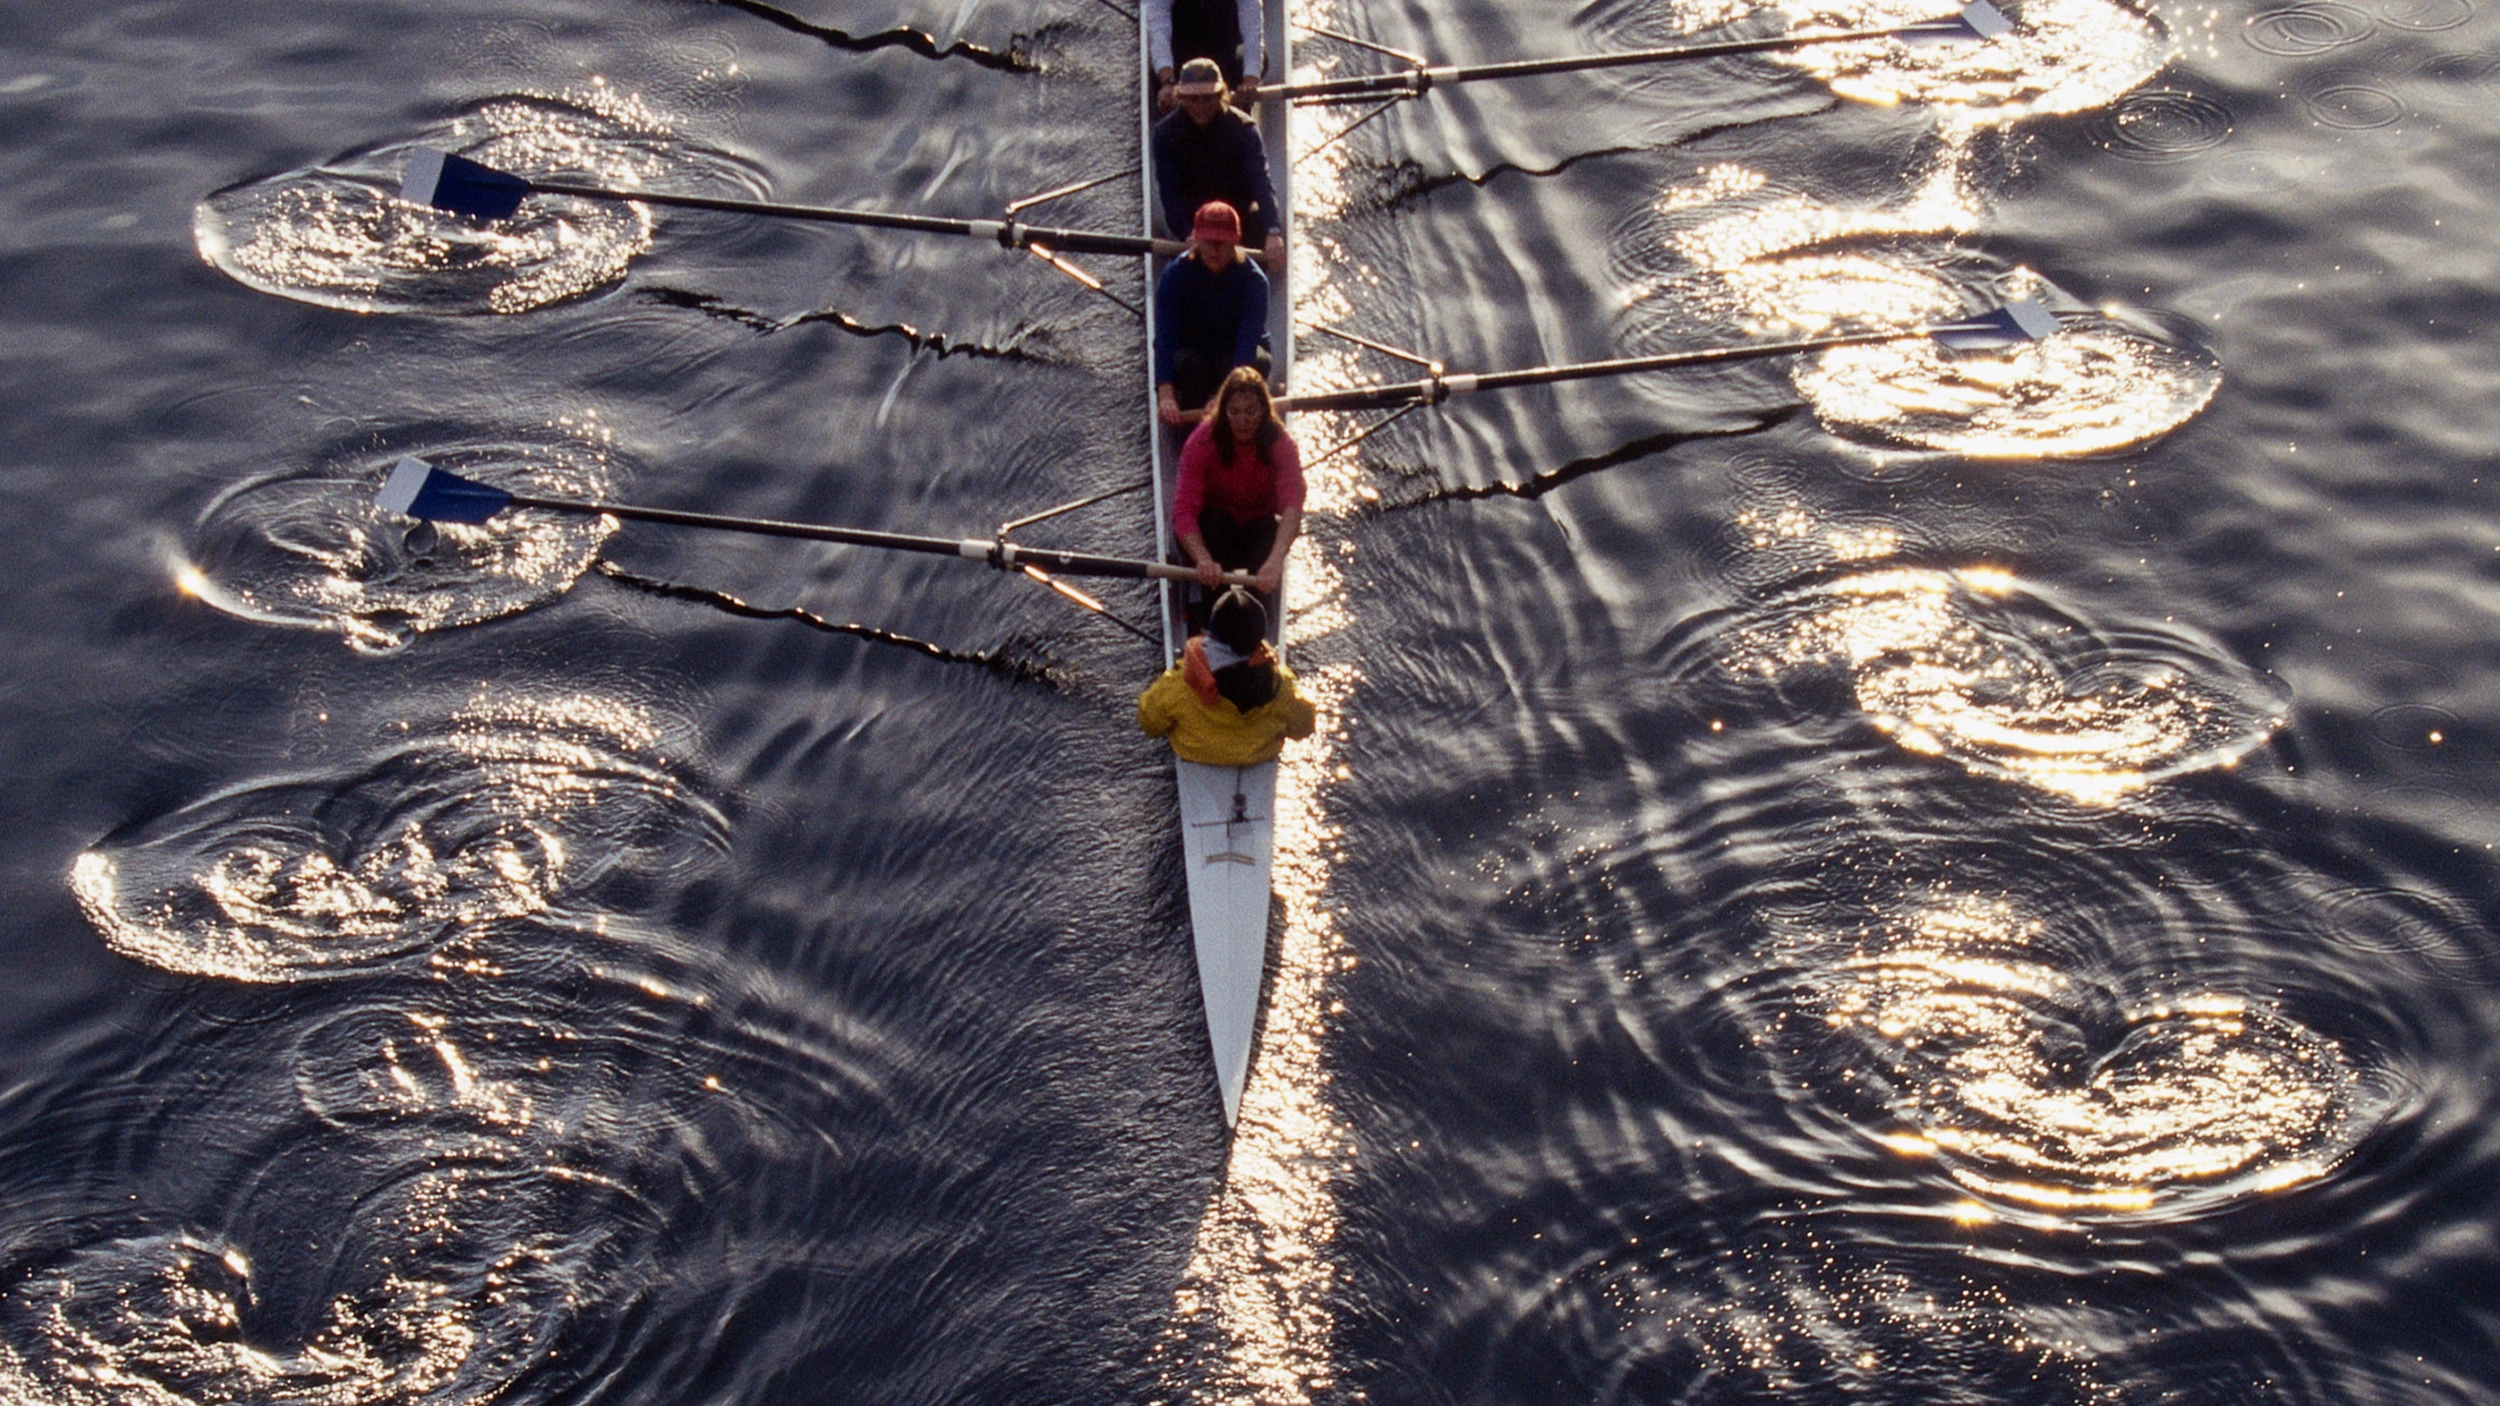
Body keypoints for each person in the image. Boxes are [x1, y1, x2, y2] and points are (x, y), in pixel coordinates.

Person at [1137, 588, 1316, 767]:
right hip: (1258, 758)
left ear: (1212, 632)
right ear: (1259, 637)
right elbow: (1305, 727)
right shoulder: (1278, 684)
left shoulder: (1182, 682)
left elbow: (1149, 723)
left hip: (1197, 757)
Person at [1174, 365, 1302, 601]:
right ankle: (1210, 604)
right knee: (1218, 524)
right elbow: (1183, 511)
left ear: (1265, 410)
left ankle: (1259, 602)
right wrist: (1203, 559)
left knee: (1267, 529)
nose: (1242, 422)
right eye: (1234, 412)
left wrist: (1274, 561)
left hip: (1256, 530)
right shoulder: (1202, 441)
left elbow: (1293, 507)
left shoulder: (1281, 443)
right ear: (1223, 412)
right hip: (1215, 535)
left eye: (1251, 412)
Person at [1151, 58, 1283, 270]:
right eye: (1193, 99)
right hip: (1193, 221)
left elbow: (1261, 183)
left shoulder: (1244, 129)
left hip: (1237, 217)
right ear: (1181, 98)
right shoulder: (1165, 134)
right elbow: (1170, 195)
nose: (1200, 107)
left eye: (1208, 99)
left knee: (1262, 227)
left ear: (1221, 95)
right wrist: (1188, 234)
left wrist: (1273, 232)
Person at [1154, 202, 1270, 423]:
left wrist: (1225, 395)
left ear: (1236, 241)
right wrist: (1165, 393)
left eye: (1222, 242)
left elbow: (1246, 345)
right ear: (1196, 239)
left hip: (1235, 354)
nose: (1215, 250)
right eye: (1209, 241)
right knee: (1189, 366)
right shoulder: (1173, 277)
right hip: (1193, 355)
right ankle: (1191, 433)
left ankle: (1238, 421)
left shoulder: (1254, 282)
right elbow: (1165, 339)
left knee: (1256, 363)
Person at [1148, 0, 1266, 111]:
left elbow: (1252, 32)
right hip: (1184, 53)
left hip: (1224, 52)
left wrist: (1250, 82)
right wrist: (1168, 82)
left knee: (1241, 61)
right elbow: (1159, 33)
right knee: (1159, 71)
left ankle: (1238, 117)